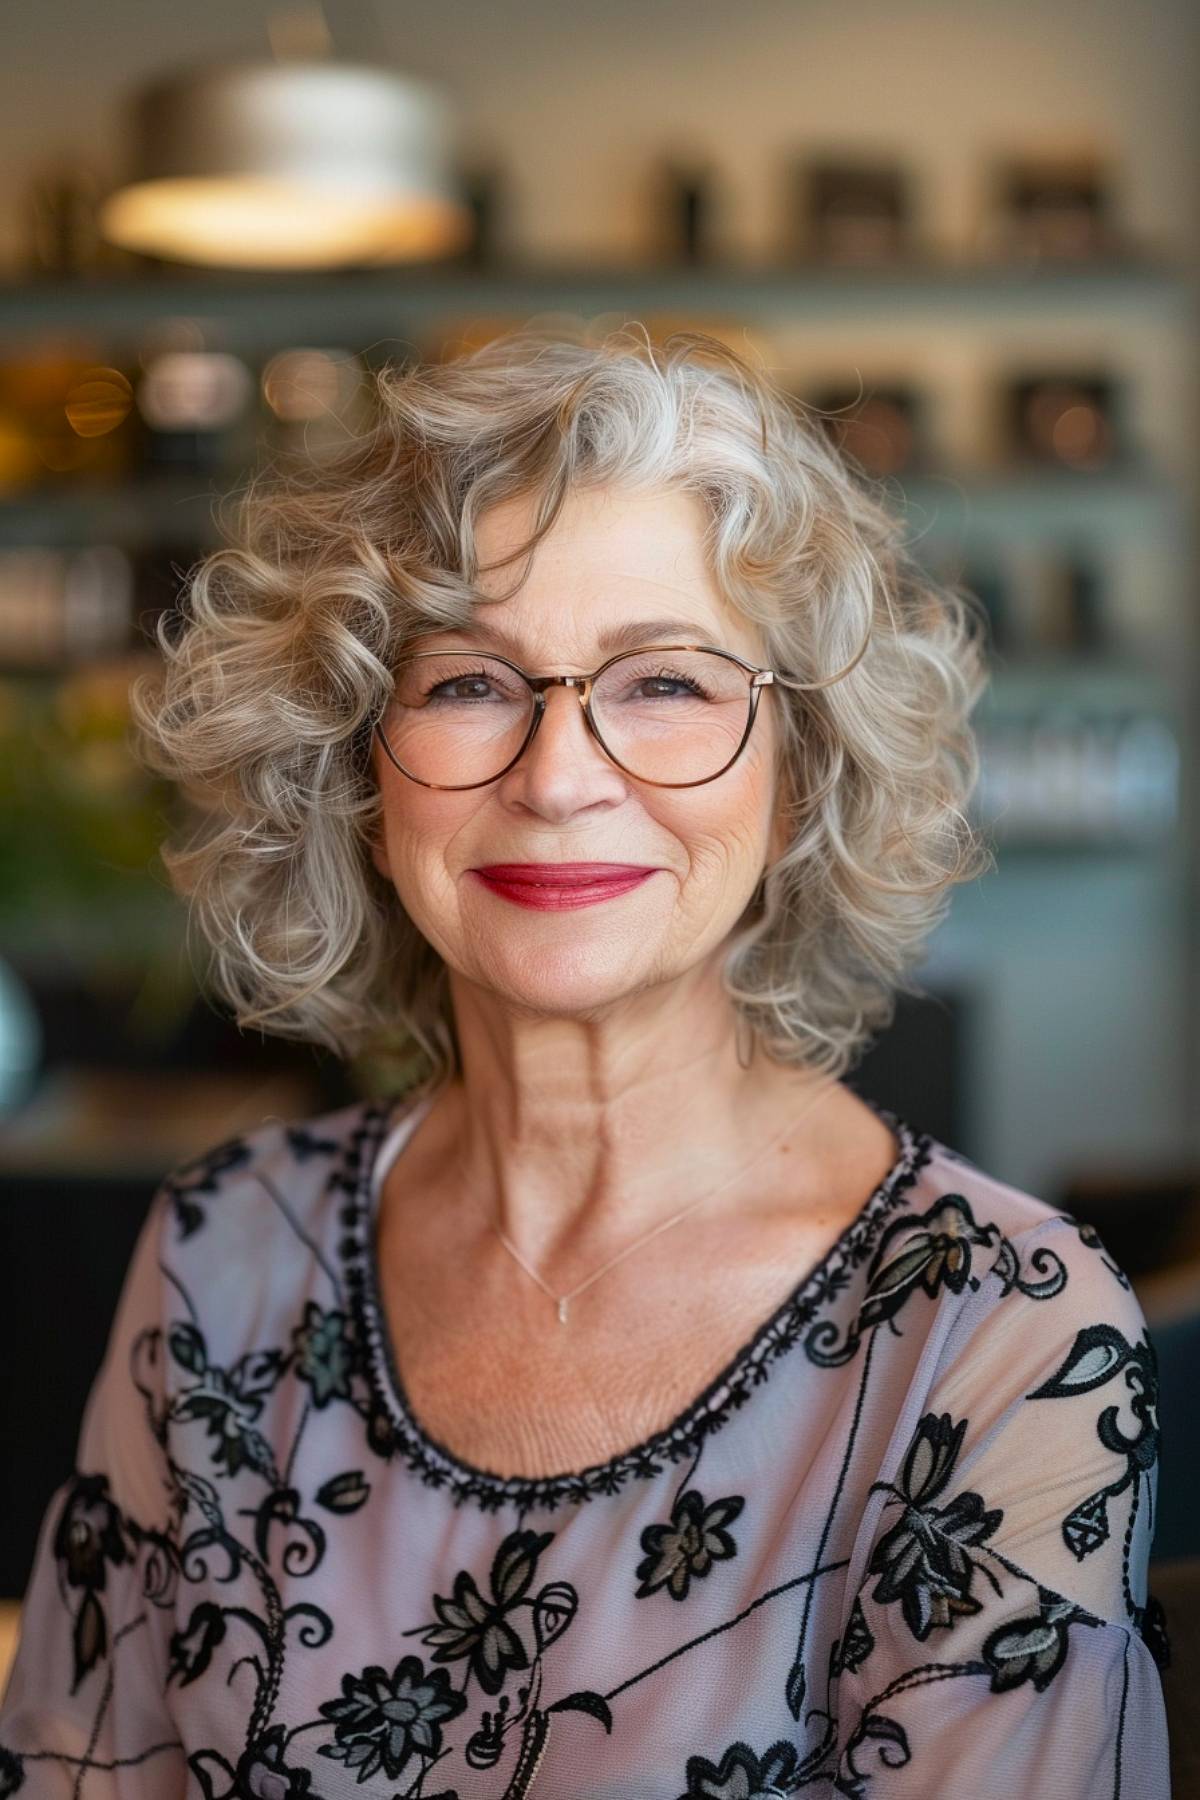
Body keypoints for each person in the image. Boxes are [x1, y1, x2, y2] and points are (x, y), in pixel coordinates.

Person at [0, 325, 1169, 1797]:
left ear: (799, 768)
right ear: (358, 773)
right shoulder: (224, 1256)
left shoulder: (996, 1335)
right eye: (469, 684)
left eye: (667, 685)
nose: (557, 778)